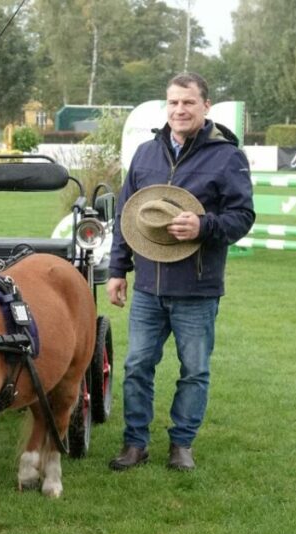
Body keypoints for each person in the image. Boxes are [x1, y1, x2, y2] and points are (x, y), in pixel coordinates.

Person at [106, 72, 255, 472]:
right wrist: (117, 270)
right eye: (173, 102)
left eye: (188, 102)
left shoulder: (227, 156)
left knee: (194, 371)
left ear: (206, 106)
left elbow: (243, 216)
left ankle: (182, 444)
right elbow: (126, 217)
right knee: (136, 366)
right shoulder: (146, 153)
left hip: (198, 288)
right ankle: (135, 444)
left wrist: (203, 226)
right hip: (148, 288)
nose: (180, 110)